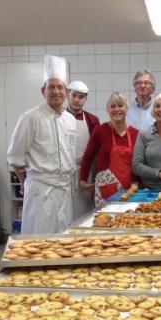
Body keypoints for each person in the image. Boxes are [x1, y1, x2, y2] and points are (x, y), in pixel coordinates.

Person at [7, 55, 77, 234]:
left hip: (64, 188)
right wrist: (25, 182)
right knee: (39, 237)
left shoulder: (70, 119)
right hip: (40, 189)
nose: (56, 91)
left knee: (62, 236)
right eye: (51, 87)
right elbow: (15, 157)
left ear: (66, 91)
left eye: (60, 87)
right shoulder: (31, 117)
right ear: (43, 90)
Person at [80, 92, 139, 204]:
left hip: (130, 190)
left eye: (120, 105)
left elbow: (138, 163)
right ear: (108, 110)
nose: (117, 109)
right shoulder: (100, 131)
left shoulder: (135, 133)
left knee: (129, 220)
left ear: (126, 108)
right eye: (113, 106)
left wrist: (139, 184)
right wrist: (83, 179)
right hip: (106, 189)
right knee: (105, 220)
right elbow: (88, 156)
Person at [66, 80, 100, 219]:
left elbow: (97, 151)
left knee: (85, 213)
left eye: (81, 97)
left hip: (85, 173)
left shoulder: (92, 120)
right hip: (64, 173)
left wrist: (96, 175)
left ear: (85, 99)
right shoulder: (57, 117)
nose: (77, 100)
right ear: (68, 94)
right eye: (74, 95)